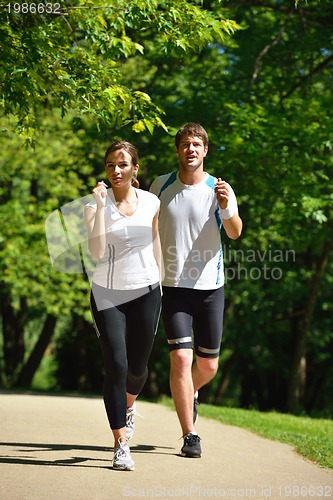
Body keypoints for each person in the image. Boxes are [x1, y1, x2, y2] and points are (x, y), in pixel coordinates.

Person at [150, 123, 242, 458]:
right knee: (181, 359)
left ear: (205, 151)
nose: (191, 149)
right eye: (185, 144)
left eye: (197, 144)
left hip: (210, 289)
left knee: (207, 368)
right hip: (173, 288)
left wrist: (227, 207)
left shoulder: (219, 188)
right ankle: (190, 435)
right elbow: (149, 230)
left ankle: (187, 392)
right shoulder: (160, 185)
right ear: (178, 150)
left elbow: (235, 232)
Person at [84, 141, 162, 471]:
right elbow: (98, 251)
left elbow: (156, 241)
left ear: (135, 169)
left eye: (122, 164)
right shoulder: (93, 206)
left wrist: (161, 283)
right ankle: (120, 444)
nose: (116, 170)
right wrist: (101, 207)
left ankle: (129, 406)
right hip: (107, 294)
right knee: (117, 363)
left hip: (146, 290)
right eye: (110, 165)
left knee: (138, 368)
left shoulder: (152, 202)